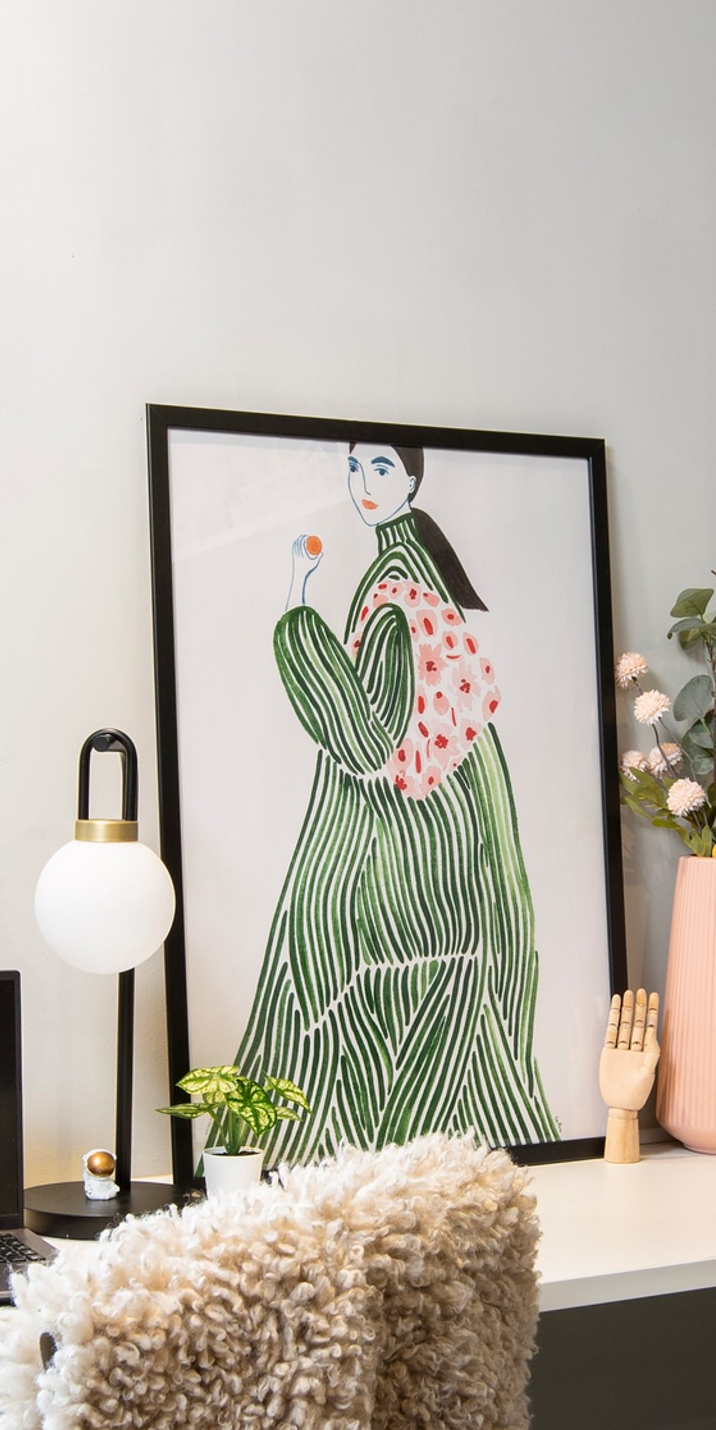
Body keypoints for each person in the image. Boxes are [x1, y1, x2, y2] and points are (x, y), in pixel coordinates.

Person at [233, 438, 555, 1154]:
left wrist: (296, 605)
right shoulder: (415, 570)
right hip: (456, 829)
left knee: (327, 945)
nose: (363, 482)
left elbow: (366, 739)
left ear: (412, 479)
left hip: (409, 845)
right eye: (353, 468)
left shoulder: (395, 587)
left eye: (380, 468)